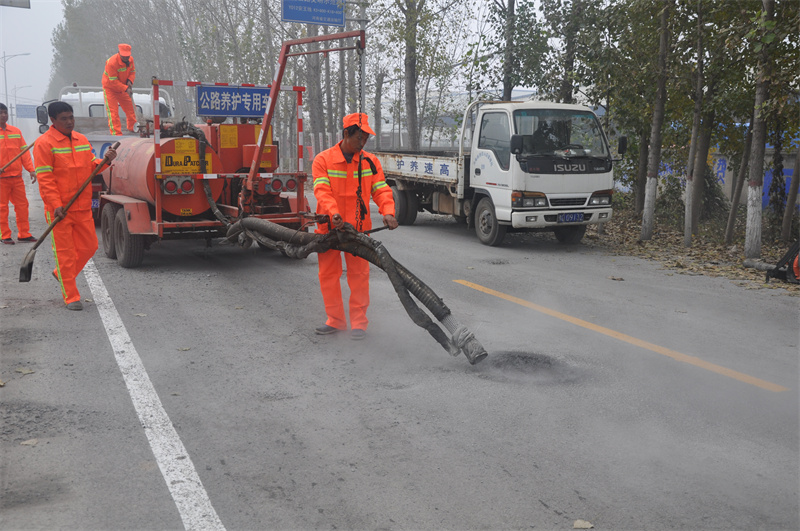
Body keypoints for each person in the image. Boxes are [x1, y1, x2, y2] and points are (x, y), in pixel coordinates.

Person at [312, 113, 398, 340]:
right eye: (360, 137)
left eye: (366, 138)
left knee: (359, 276)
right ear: (346, 134)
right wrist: (333, 213)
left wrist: (388, 212)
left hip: (359, 230)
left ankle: (359, 323)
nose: (363, 143)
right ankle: (335, 321)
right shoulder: (323, 160)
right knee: (328, 275)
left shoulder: (370, 162)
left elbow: (381, 189)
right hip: (329, 228)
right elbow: (322, 191)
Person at [34, 102, 116, 311]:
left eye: (71, 117)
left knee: (90, 246)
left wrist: (105, 161)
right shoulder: (44, 144)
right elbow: (45, 178)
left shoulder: (81, 140)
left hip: (82, 206)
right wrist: (55, 204)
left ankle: (61, 274)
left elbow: (91, 167)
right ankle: (71, 296)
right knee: (65, 254)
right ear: (53, 120)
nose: (70, 122)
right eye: (64, 118)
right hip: (60, 211)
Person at [0, 103, 36, 245]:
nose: (4, 115)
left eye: (5, 112)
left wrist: (31, 169)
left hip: (16, 177)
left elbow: (24, 153)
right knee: (2, 208)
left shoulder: (16, 131)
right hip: (1, 179)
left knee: (22, 206)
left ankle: (24, 234)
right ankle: (5, 235)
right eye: (1, 113)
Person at [102, 43, 137, 136]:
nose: (126, 58)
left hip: (123, 88)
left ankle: (133, 128)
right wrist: (126, 88)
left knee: (131, 109)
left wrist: (130, 80)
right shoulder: (111, 63)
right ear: (119, 53)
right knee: (113, 113)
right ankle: (116, 134)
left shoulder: (131, 60)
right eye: (124, 56)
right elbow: (113, 82)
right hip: (110, 89)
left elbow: (132, 72)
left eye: (127, 56)